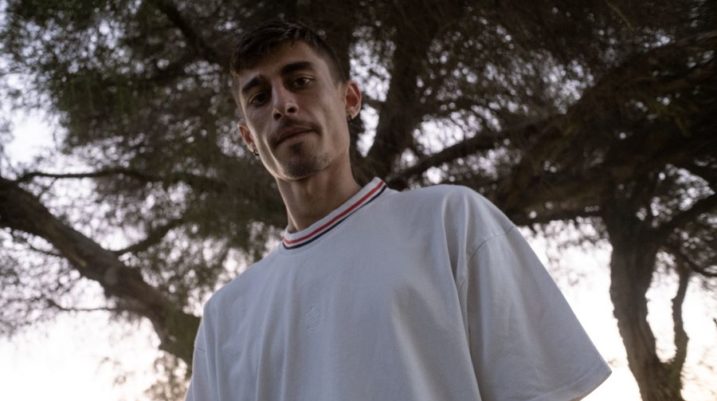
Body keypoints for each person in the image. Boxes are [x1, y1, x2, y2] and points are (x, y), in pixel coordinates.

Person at [185, 20, 611, 401]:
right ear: (248, 136)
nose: (283, 104)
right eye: (259, 97)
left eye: (301, 80)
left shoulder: (450, 221)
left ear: (350, 99)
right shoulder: (226, 318)